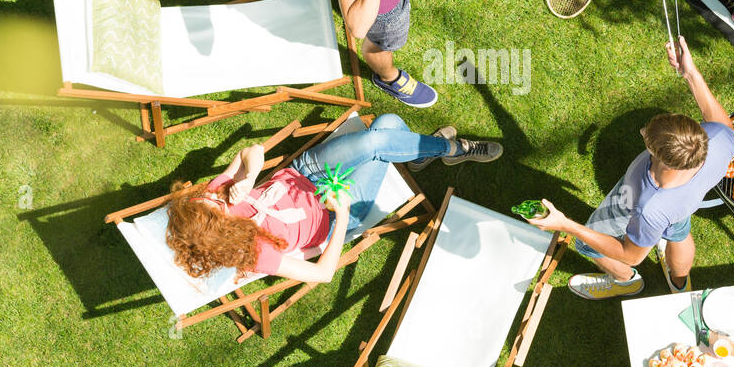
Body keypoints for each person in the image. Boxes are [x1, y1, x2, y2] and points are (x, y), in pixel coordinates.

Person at [165, 115, 503, 285]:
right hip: (334, 209)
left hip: (305, 172)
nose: (215, 198)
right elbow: (323, 273)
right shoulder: (252, 253)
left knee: (386, 127)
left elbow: (251, 151)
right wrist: (341, 216)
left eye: (207, 201)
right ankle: (454, 150)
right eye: (216, 208)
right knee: (385, 132)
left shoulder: (214, 198)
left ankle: (430, 153)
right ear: (219, 231)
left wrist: (249, 177)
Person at [528, 39, 734, 298]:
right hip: (682, 207)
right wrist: (690, 73)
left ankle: (626, 282)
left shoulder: (648, 208)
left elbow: (630, 254)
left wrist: (567, 225)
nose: (641, 131)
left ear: (664, 159)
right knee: (679, 231)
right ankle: (679, 282)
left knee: (586, 245)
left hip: (635, 209)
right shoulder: (718, 139)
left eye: (647, 138)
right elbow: (719, 119)